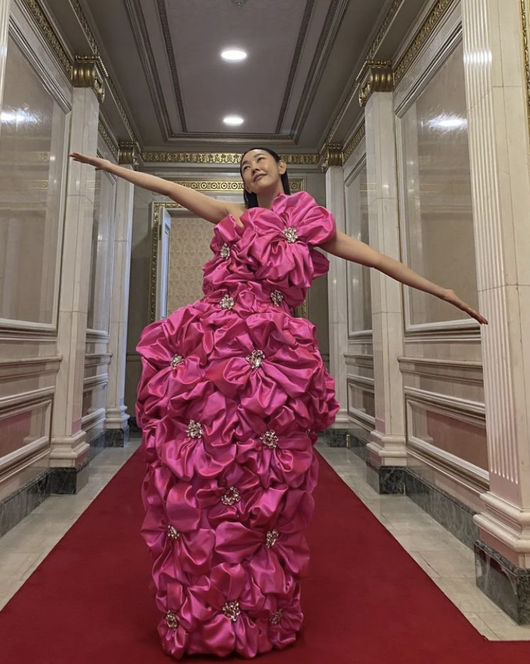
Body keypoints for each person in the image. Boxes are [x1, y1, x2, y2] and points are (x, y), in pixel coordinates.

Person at [69, 147, 488, 659]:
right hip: (214, 349)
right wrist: (111, 168)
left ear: (283, 167)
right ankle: (204, 604)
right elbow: (169, 189)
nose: (252, 169)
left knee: (267, 476)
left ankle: (257, 606)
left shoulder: (309, 223)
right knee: (207, 471)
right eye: (244, 166)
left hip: (274, 358)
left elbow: (378, 259)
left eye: (260, 160)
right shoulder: (234, 216)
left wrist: (443, 289)